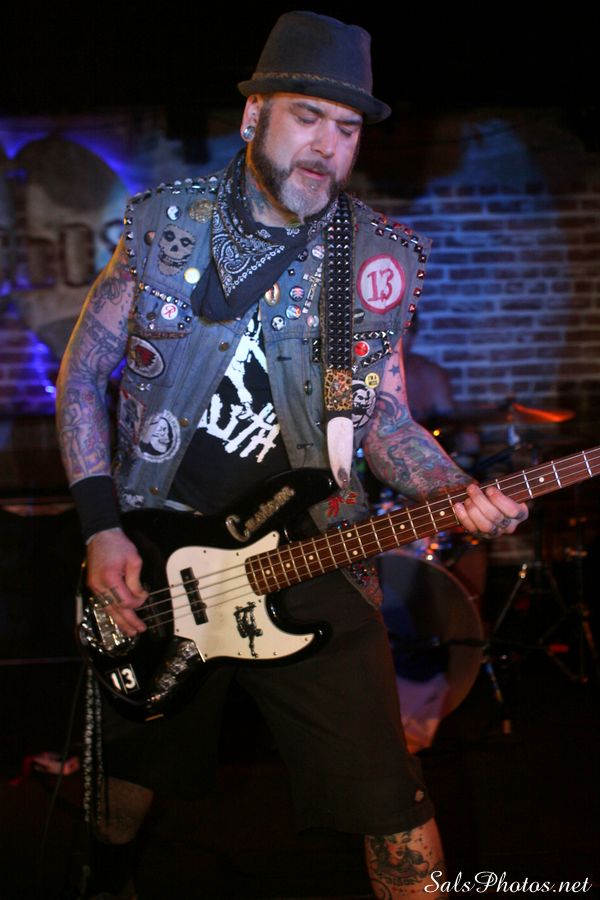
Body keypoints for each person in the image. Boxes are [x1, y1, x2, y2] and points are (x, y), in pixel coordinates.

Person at [56, 12, 528, 899]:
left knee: (393, 803)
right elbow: (83, 375)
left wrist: (459, 489)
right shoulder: (166, 226)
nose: (327, 145)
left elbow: (382, 417)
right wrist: (101, 528)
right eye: (307, 116)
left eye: (347, 128)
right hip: (159, 552)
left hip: (313, 553)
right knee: (126, 782)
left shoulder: (375, 261)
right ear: (253, 116)